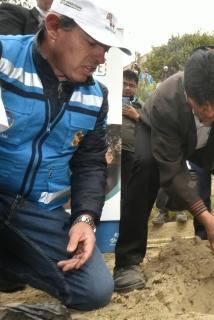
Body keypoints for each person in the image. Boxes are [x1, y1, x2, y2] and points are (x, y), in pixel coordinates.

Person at [0, 0, 131, 310]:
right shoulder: (4, 58)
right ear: (55, 27)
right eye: (93, 43)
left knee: (95, 289)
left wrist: (85, 218)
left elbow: (90, 164)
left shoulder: (96, 96)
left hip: (37, 209)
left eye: (106, 48)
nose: (101, 57)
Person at [114, 46, 214, 293]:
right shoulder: (165, 101)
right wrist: (203, 214)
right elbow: (171, 166)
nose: (210, 113)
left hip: (209, 146)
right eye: (202, 106)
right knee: (146, 169)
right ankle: (127, 263)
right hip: (159, 137)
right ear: (186, 94)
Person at [121, 70, 141, 208]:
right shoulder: (108, 99)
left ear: (136, 87)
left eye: (132, 85)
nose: (128, 88)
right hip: (111, 151)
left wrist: (137, 116)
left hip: (132, 152)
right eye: (124, 84)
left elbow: (152, 127)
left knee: (128, 188)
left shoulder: (142, 105)